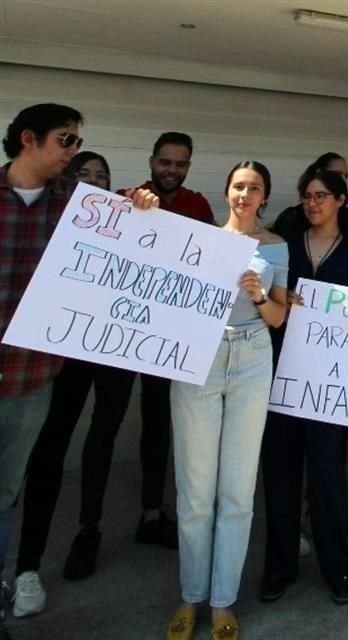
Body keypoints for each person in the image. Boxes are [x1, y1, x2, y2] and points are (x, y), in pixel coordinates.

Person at [0, 104, 157, 623]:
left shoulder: (73, 202)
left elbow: (123, 225)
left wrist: (137, 205)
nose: (73, 151)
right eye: (66, 141)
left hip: (33, 375)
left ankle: (16, 576)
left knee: (7, 489)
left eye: (77, 142)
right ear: (29, 138)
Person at [165, 161, 288, 640]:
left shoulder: (275, 246)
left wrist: (259, 296)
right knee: (195, 490)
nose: (244, 194)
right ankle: (190, 596)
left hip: (254, 354)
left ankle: (222, 601)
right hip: (201, 354)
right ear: (226, 192)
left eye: (254, 187)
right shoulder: (201, 241)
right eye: (238, 185)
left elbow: (278, 317)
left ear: (264, 197)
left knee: (237, 491)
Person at [13, 152, 138, 611]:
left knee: (101, 441)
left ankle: (89, 530)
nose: (92, 181)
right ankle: (28, 562)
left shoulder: (128, 221)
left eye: (101, 175)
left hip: (115, 348)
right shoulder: (51, 219)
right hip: (61, 350)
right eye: (82, 173)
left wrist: (142, 210)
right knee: (51, 444)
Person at [258, 169, 348, 606]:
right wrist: (283, 297)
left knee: (327, 475)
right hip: (283, 370)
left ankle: (338, 565)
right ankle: (278, 565)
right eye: (306, 196)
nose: (312, 203)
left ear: (341, 199)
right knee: (280, 472)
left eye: (321, 195)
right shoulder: (284, 242)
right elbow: (268, 294)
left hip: (331, 380)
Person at [124, 132, 216, 550]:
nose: (171, 170)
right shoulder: (129, 199)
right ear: (151, 160)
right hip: (131, 333)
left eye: (180, 164)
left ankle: (172, 513)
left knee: (180, 425)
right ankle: (139, 515)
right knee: (141, 424)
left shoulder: (198, 206)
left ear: (189, 167)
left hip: (182, 338)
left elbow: (217, 260)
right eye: (165, 162)